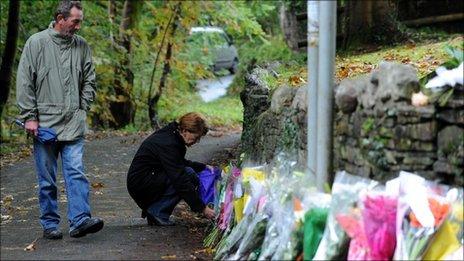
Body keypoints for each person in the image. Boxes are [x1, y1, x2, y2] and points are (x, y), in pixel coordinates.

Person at [16, 0, 103, 239]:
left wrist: (82, 106)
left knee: (76, 172)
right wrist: (30, 117)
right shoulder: (36, 43)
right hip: (44, 124)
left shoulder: (82, 46)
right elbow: (25, 83)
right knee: (47, 180)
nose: (78, 27)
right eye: (75, 21)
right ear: (60, 18)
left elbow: (90, 80)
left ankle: (79, 220)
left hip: (73, 122)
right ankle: (50, 224)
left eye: (80, 22)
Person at [127, 112, 216, 226]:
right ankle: (157, 212)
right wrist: (202, 209)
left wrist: (202, 167)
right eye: (196, 137)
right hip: (141, 183)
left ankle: (157, 210)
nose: (196, 142)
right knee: (186, 176)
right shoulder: (169, 143)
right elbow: (180, 179)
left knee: (190, 174)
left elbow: (177, 162)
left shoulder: (172, 135)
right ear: (185, 131)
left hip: (148, 178)